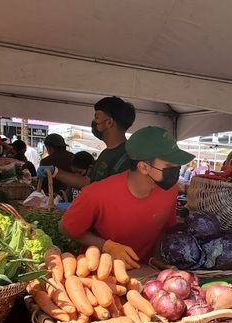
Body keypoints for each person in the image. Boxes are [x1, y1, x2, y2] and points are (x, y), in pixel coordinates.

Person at [60, 126, 195, 268]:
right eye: (169, 165)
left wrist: (156, 263)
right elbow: (65, 227)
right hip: (103, 274)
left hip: (146, 274)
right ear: (143, 167)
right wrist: (107, 246)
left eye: (177, 164)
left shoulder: (170, 191)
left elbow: (163, 229)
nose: (177, 169)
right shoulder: (97, 194)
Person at [41, 96, 136, 189]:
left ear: (109, 122)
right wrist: (55, 171)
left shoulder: (126, 158)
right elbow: (87, 182)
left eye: (97, 117)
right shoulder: (105, 153)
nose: (93, 121)